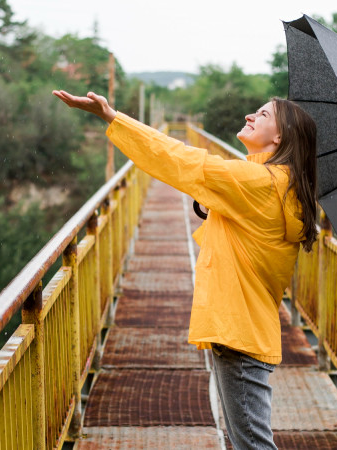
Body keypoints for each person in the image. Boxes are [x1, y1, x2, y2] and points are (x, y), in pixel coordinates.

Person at [53, 90, 318, 450]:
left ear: (279, 137)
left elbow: (181, 158)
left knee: (253, 444)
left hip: (238, 330)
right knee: (247, 440)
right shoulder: (278, 185)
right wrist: (214, 204)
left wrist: (113, 118)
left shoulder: (258, 183)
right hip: (245, 327)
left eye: (262, 115)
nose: (249, 117)